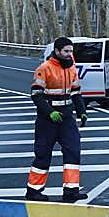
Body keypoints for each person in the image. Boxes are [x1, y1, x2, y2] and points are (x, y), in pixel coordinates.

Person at [26, 37, 88, 202]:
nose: (69, 54)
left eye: (71, 51)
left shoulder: (72, 68)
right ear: (57, 51)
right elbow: (36, 95)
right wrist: (50, 112)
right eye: (66, 51)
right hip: (47, 121)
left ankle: (71, 191)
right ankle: (33, 191)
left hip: (67, 119)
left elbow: (76, 93)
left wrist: (82, 112)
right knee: (43, 154)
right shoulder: (44, 68)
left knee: (73, 152)